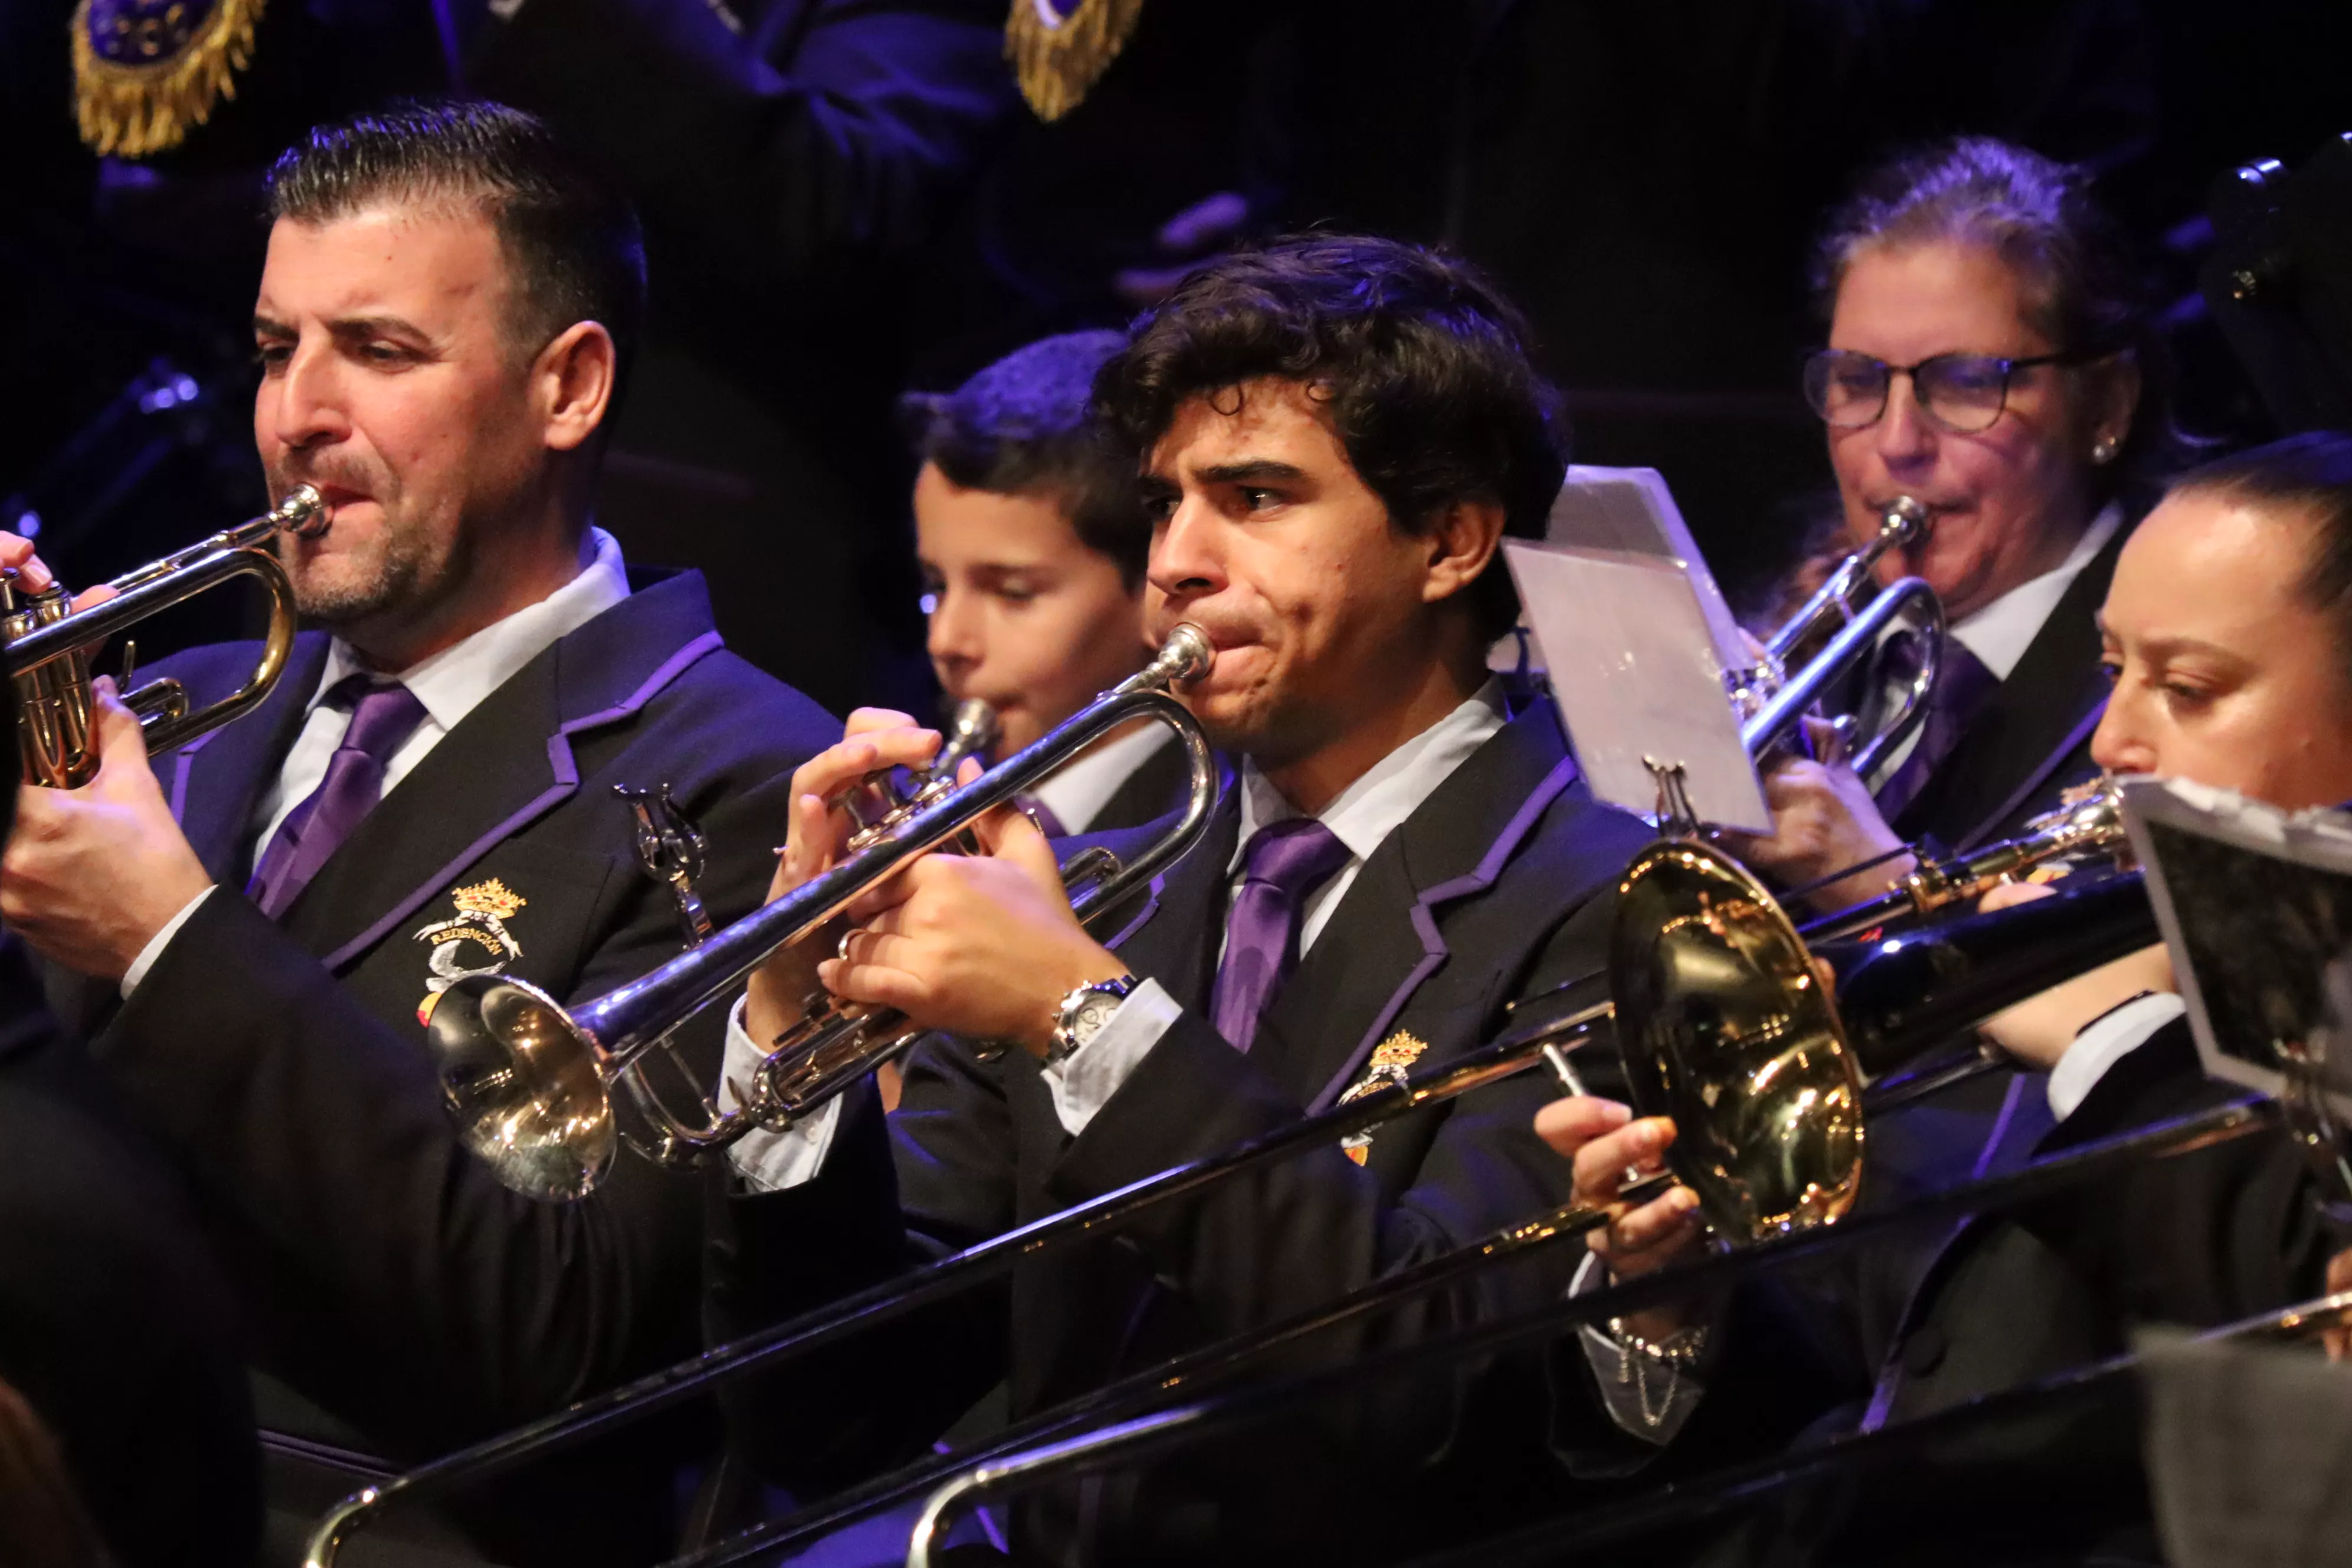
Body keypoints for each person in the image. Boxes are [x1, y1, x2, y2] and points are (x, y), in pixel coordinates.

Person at [703, 234, 1660, 1563]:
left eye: (1257, 497)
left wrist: (1087, 1018)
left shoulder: (1617, 900)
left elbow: (1445, 1389)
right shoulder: (1107, 890)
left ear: (1450, 540)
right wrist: (791, 1023)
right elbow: (841, 1406)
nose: (1176, 566)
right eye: (1167, 502)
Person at [0, 101, 834, 1564]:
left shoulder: (749, 770)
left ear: (567, 386)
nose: (292, 417)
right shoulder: (170, 700)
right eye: (275, 348)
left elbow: (563, 1329)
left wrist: (168, 938)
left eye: (378, 352)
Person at [1540, 434, 2352, 1566]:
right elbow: (1897, 1372)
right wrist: (1674, 1300)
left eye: (2187, 688)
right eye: (2111, 669)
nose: (2112, 739)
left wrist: (2112, 1040)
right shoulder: (2102, 950)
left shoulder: (2130, 1023)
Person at [1732, 136, 2178, 916]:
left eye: (1967, 383)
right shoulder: (1816, 641)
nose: (1897, 441)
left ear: (2105, 406)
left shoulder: (2190, 670)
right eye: (1858, 380)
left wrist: (1879, 877)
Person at [903, 329, 1191, 835]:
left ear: (1155, 586)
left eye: (1013, 594)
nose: (946, 642)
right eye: (937, 586)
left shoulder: (1202, 828)